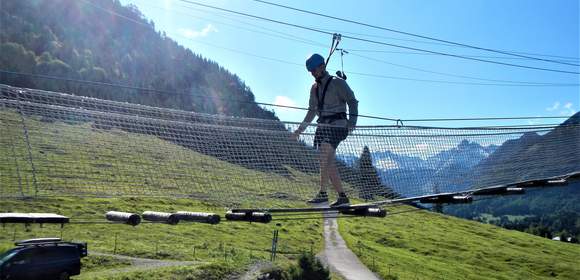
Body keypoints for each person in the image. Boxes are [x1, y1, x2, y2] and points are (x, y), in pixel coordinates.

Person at [292, 53, 358, 207]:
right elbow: (311, 111)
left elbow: (352, 101)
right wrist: (300, 130)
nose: (313, 73)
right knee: (326, 161)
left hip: (338, 125)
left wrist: (352, 121)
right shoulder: (314, 89)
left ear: (322, 66)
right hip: (322, 127)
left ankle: (322, 194)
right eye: (310, 71)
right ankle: (342, 197)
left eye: (314, 70)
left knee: (324, 154)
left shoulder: (338, 83)